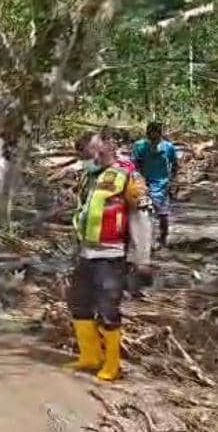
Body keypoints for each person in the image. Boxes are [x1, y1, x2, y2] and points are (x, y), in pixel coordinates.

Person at [65, 130, 154, 382]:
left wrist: (142, 259)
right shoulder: (89, 175)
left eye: (89, 150)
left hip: (112, 255)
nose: (86, 156)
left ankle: (112, 364)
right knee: (79, 304)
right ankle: (90, 356)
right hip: (85, 253)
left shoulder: (129, 175)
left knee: (108, 308)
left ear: (107, 146)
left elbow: (142, 219)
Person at [131, 122, 178, 249]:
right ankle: (147, 241)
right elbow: (134, 164)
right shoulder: (139, 146)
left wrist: (171, 180)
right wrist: (138, 180)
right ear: (147, 134)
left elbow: (174, 165)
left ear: (160, 134)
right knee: (145, 214)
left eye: (156, 134)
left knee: (163, 215)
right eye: (151, 134)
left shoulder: (168, 147)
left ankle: (163, 237)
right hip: (144, 185)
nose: (154, 137)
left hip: (162, 185)